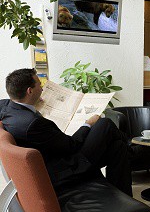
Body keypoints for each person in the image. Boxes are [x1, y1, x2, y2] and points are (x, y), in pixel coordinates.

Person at [0, 68, 134, 196]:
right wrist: (88, 123)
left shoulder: (6, 107)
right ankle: (132, 146)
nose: (42, 89)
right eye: (39, 85)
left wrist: (33, 105)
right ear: (29, 91)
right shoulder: (33, 123)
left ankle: (122, 196)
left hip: (54, 157)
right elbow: (72, 145)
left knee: (118, 147)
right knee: (105, 124)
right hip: (66, 169)